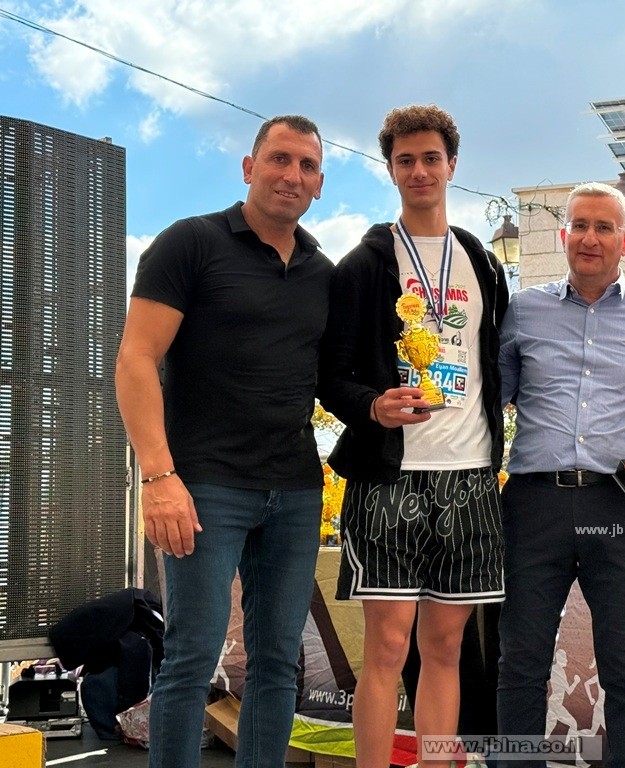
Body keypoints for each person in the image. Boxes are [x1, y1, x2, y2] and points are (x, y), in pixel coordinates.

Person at [114, 115, 332, 768]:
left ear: (320, 183)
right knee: (191, 657)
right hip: (203, 486)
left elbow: (337, 377)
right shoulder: (191, 243)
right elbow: (135, 359)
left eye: (307, 166)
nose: (292, 175)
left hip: (296, 489)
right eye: (280, 159)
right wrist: (158, 477)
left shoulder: (323, 271)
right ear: (248, 166)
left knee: (278, 663)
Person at [316, 104, 508, 768]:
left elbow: (494, 361)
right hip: (389, 478)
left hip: (470, 475)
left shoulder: (482, 262)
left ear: (452, 165)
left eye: (431, 158)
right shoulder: (365, 263)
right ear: (391, 170)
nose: (419, 170)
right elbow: (331, 377)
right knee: (388, 649)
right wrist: (373, 406)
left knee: (447, 648)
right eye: (406, 160)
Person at [496, 182, 625, 768]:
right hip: (534, 504)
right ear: (563, 234)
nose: (590, 238)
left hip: (619, 505)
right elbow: (493, 397)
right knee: (521, 658)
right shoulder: (522, 310)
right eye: (579, 225)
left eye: (604, 227)